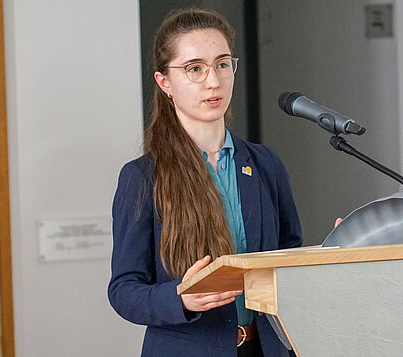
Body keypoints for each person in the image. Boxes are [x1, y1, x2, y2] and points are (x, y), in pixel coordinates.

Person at [108, 8, 302, 357]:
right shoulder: (141, 177)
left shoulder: (265, 163)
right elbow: (124, 290)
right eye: (195, 68)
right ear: (165, 82)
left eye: (223, 64)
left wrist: (336, 251)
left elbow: (288, 261)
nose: (213, 81)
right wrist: (181, 298)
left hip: (267, 348)